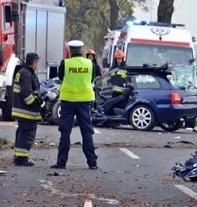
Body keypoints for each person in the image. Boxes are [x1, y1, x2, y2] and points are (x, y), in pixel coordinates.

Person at [51, 40, 98, 169]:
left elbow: (60, 77)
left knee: (65, 132)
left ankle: (61, 162)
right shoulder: (89, 64)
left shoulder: (65, 63)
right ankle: (92, 162)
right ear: (82, 50)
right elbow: (92, 78)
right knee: (86, 132)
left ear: (70, 51)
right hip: (84, 102)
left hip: (68, 101)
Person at [11, 53, 44, 166]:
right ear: (34, 62)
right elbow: (26, 93)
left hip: (22, 109)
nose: (37, 64)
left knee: (22, 132)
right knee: (27, 133)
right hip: (26, 110)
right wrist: (35, 104)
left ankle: (18, 156)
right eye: (37, 62)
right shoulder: (26, 74)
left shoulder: (24, 72)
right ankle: (21, 158)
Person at [100, 49, 130, 116]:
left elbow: (128, 78)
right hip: (114, 91)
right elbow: (109, 77)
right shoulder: (113, 68)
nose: (118, 60)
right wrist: (110, 83)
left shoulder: (126, 68)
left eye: (120, 59)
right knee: (113, 105)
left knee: (121, 106)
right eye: (117, 59)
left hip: (123, 92)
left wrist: (126, 84)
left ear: (122, 59)